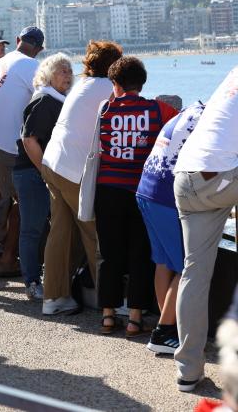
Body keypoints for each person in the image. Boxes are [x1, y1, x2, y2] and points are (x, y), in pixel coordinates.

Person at [95, 57, 178, 337]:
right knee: (140, 254)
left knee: (110, 253)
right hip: (141, 190)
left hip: (107, 189)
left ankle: (108, 315)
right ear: (141, 83)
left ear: (115, 84)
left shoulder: (105, 109)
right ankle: (134, 319)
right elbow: (181, 125)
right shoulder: (157, 109)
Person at [40, 40, 123, 315]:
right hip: (74, 170)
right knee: (95, 233)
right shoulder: (108, 88)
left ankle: (54, 298)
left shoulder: (82, 85)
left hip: (53, 163)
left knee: (60, 232)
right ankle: (110, 300)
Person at [173, 65, 238, 392]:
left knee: (194, 273)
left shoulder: (232, 77)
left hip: (185, 178)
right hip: (220, 177)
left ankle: (188, 370)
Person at [0, 26, 44, 279]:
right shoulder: (34, 67)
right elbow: (50, 100)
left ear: (17, 40)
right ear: (40, 49)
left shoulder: (3, 60)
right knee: (26, 199)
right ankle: (8, 258)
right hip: (3, 143)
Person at [136, 101, 206, 355]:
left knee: (163, 262)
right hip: (166, 196)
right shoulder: (210, 123)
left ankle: (167, 327)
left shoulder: (190, 111)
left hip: (146, 189)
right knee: (188, 267)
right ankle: (164, 331)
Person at [12, 54, 72, 301]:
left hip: (43, 173)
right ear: (47, 75)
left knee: (49, 228)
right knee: (32, 229)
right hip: (32, 173)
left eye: (69, 70)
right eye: (62, 71)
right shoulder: (45, 101)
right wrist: (45, 172)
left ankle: (48, 277)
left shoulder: (57, 99)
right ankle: (32, 282)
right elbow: (29, 140)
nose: (68, 75)